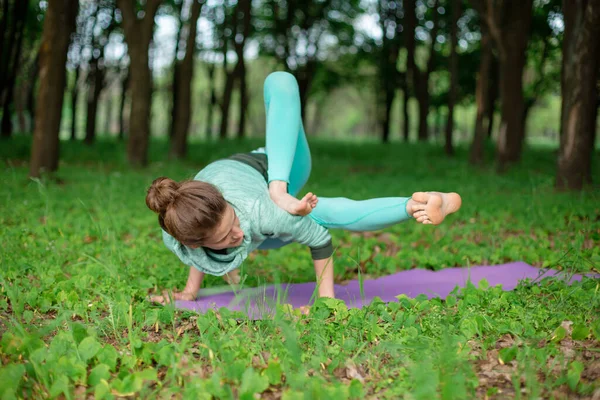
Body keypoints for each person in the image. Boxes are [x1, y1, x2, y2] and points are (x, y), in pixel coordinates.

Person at [146, 71, 462, 305]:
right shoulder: (177, 224)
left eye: (234, 221)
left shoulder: (260, 213)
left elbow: (320, 239)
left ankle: (419, 204)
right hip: (257, 218)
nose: (238, 233)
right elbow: (195, 249)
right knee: (258, 226)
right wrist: (189, 292)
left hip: (275, 168)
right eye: (226, 236)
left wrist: (325, 302)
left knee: (281, 81)